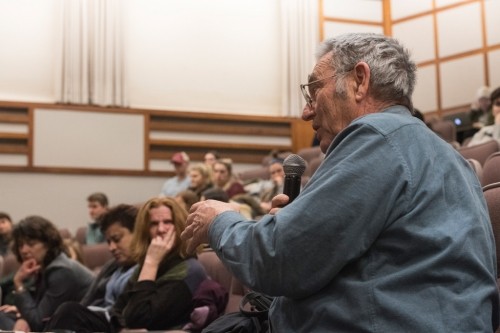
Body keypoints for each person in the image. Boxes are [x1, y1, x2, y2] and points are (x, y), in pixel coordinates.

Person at [181, 32, 499, 332]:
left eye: (314, 90)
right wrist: (295, 221)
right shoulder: (439, 154)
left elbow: (278, 261)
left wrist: (218, 220)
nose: (306, 111)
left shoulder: (376, 137)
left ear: (359, 81)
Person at [44, 197, 207, 332]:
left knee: (70, 315)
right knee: (70, 311)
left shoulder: (189, 270)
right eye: (154, 224)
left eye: (167, 222)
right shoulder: (152, 265)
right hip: (121, 329)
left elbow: (139, 317)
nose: (161, 229)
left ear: (179, 227)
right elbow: (119, 308)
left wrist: (151, 262)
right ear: (145, 230)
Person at [46, 204, 138, 331]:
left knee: (69, 311)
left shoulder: (149, 267)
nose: (111, 248)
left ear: (139, 234)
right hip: (96, 319)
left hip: (114, 324)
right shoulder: (113, 267)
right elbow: (88, 300)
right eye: (109, 242)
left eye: (117, 239)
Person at [0, 215, 94, 332]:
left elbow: (38, 323)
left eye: (31, 244)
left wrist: (18, 283)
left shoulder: (61, 271)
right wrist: (22, 314)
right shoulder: (47, 266)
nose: (24, 250)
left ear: (48, 244)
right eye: (20, 245)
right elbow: (39, 312)